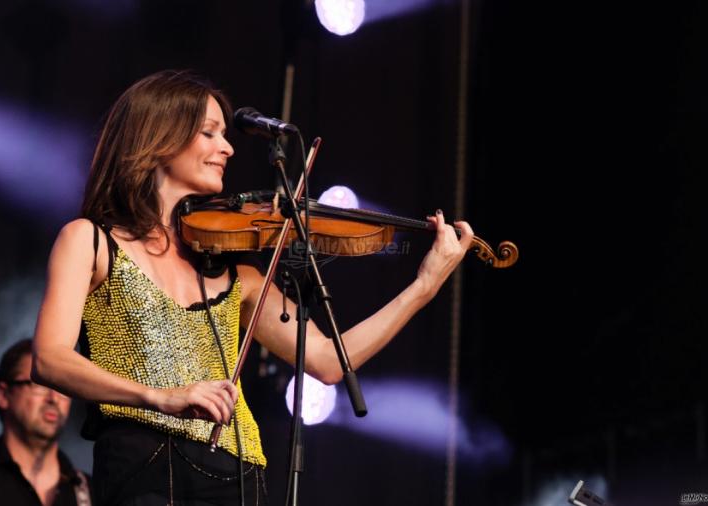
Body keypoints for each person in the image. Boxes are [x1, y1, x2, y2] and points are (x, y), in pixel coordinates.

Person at [31, 69, 474, 506]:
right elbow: (50, 360)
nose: (227, 148)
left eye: (225, 135)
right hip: (140, 467)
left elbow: (329, 361)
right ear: (159, 138)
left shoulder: (234, 271)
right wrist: (159, 397)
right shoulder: (89, 241)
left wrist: (424, 286)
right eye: (209, 133)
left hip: (238, 477)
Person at [0, 339, 91, 505]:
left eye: (62, 387)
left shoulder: (91, 490)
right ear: (3, 395)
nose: (53, 398)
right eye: (40, 384)